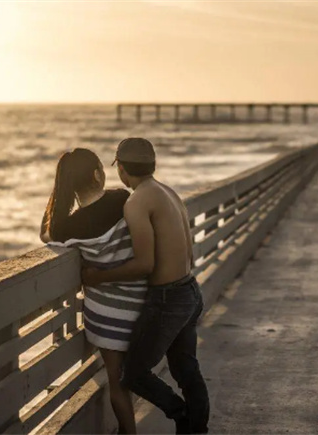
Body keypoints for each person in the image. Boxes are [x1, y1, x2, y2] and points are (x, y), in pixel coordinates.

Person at [82, 138, 210, 434]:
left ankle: (182, 416)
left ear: (122, 169)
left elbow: (145, 264)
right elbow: (188, 251)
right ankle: (197, 428)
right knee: (186, 370)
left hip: (168, 299)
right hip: (190, 290)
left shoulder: (137, 201)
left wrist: (96, 277)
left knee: (132, 375)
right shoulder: (168, 192)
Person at [40, 148, 142, 434]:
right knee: (133, 374)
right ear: (98, 174)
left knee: (116, 381)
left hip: (104, 315)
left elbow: (44, 234)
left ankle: (128, 431)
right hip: (138, 303)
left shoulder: (67, 228)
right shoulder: (123, 201)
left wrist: (58, 195)